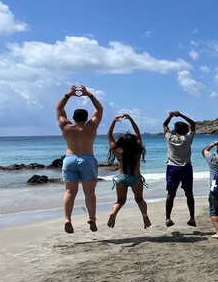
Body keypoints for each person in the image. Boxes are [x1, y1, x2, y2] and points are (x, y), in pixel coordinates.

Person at [56, 85, 103, 234]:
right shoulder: (91, 127)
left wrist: (68, 95)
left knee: (70, 191)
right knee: (89, 192)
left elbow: (59, 109)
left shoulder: (66, 127)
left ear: (74, 118)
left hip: (69, 159)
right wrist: (88, 95)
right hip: (87, 160)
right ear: (86, 118)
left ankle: (67, 219)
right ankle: (92, 218)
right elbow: (100, 110)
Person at [105, 114, 150, 229]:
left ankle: (113, 213)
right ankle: (144, 216)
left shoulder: (117, 151)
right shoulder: (138, 151)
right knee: (139, 199)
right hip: (136, 178)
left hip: (121, 179)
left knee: (120, 201)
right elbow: (138, 133)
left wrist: (113, 123)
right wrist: (130, 119)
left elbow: (109, 136)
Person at [163, 111, 197, 227]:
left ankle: (168, 218)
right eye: (186, 129)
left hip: (172, 167)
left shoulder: (169, 138)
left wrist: (170, 116)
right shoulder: (187, 139)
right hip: (186, 167)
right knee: (189, 193)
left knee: (171, 194)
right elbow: (193, 124)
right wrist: (181, 114)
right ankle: (192, 218)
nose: (188, 130)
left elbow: (165, 125)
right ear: (183, 131)